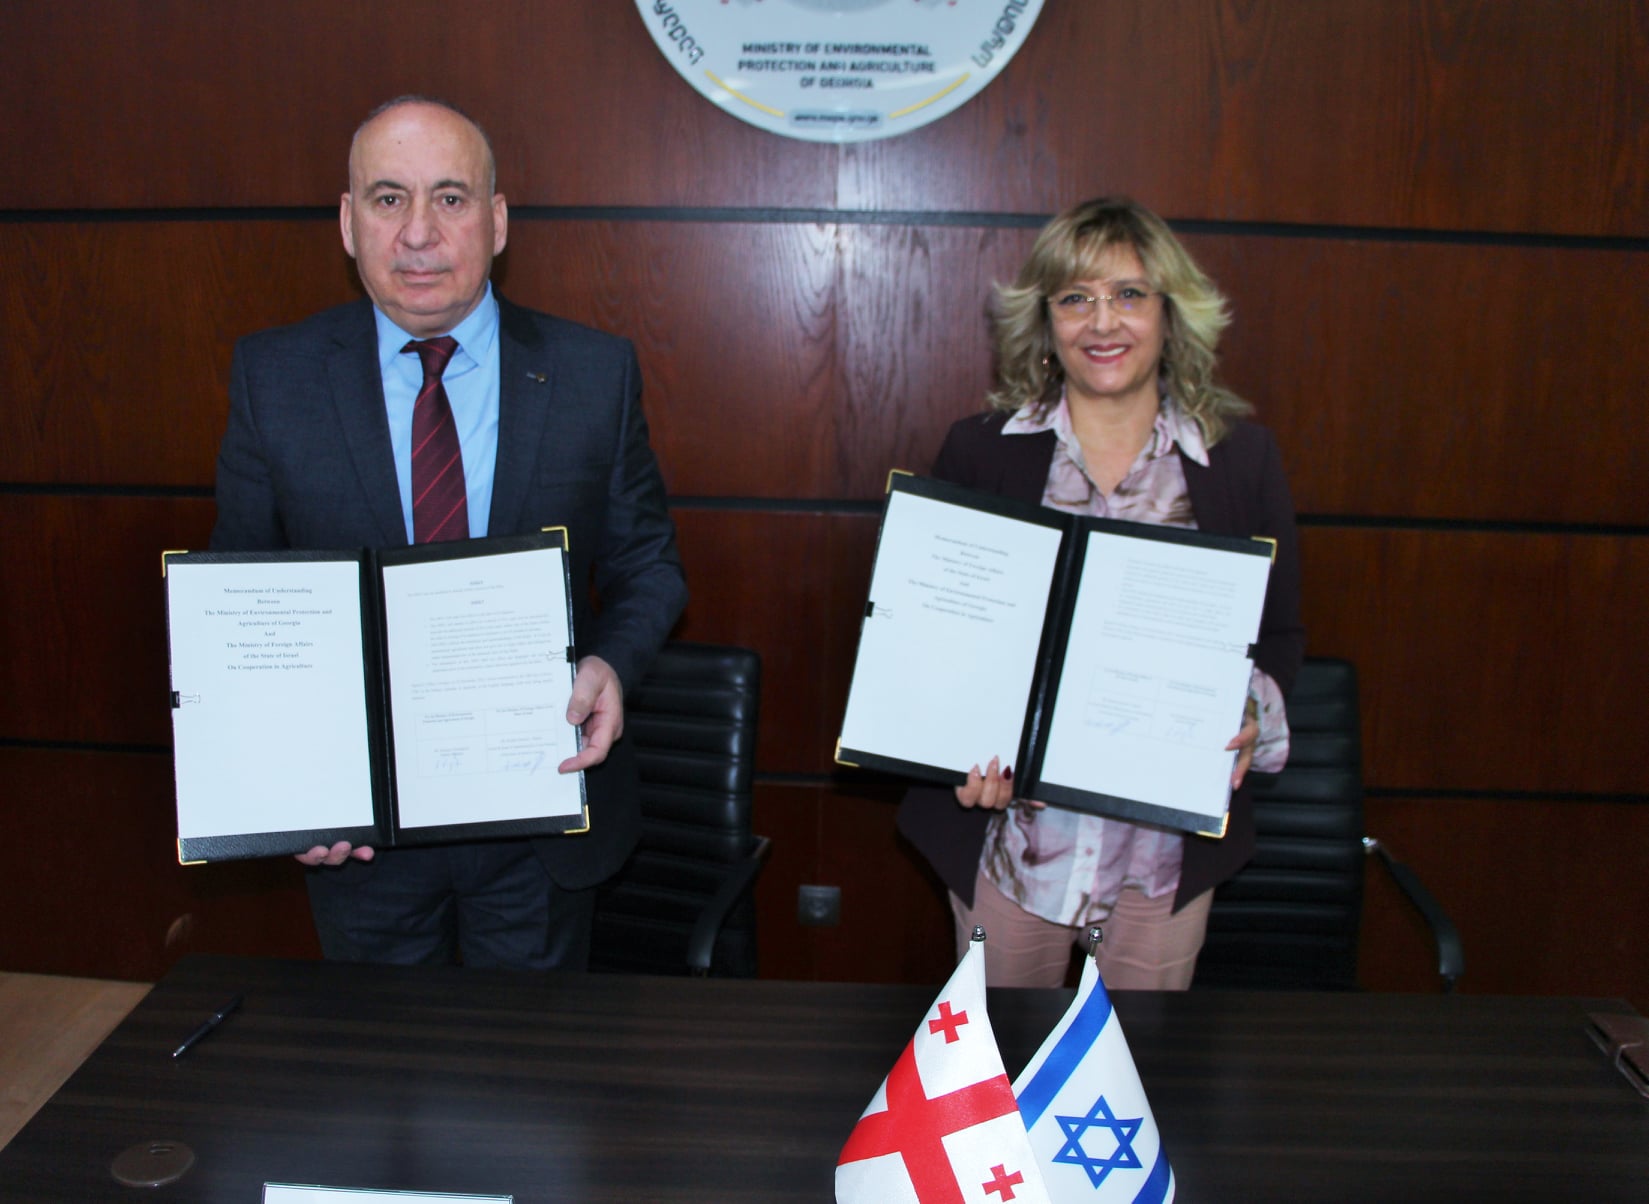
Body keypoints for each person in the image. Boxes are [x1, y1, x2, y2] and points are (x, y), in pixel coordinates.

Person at [210, 96, 688, 970]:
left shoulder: (593, 373)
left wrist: (611, 665)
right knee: (381, 1058)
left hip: (540, 820)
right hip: (361, 833)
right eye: (388, 198)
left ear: (497, 222)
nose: (418, 233)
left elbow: (647, 566)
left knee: (528, 1055)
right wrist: (285, 785)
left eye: (451, 198)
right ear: (348, 224)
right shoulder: (274, 378)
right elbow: (242, 601)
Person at [896, 197, 1304, 990]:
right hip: (1010, 844)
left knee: (1137, 1063)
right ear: (1044, 320)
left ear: (1169, 314)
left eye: (1128, 294)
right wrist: (952, 748)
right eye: (1075, 298)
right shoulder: (980, 453)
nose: (1102, 322)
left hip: (1165, 855)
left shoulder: (1241, 461)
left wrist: (1250, 715)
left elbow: (1279, 636)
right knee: (997, 1056)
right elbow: (937, 636)